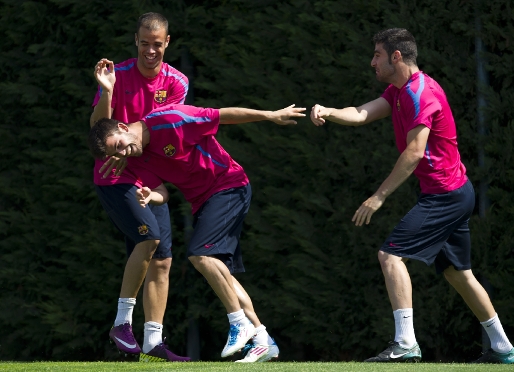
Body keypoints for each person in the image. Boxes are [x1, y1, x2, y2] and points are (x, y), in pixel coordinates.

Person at [310, 28, 514, 364]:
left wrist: (378, 197)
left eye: (377, 54)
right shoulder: (399, 90)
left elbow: (415, 152)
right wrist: (329, 111)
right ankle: (504, 348)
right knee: (458, 274)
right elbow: (361, 114)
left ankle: (405, 343)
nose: (371, 61)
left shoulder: (421, 94)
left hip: (445, 195)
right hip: (454, 192)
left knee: (390, 256)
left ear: (396, 56)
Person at [88, 102, 306, 362]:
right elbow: (164, 193)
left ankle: (239, 323)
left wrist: (269, 114)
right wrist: (150, 196)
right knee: (218, 269)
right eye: (117, 153)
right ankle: (262, 338)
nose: (123, 153)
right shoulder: (135, 159)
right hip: (202, 200)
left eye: (120, 145)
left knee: (200, 255)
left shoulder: (171, 120)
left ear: (123, 127)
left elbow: (222, 115)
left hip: (229, 184)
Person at [90, 12, 190, 362]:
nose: (151, 51)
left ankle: (152, 341)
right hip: (114, 174)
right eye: (145, 44)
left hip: (151, 178)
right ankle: (121, 325)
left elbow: (165, 128)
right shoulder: (116, 74)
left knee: (162, 259)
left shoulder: (177, 82)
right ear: (136, 41)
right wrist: (107, 91)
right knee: (149, 240)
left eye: (157, 45)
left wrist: (129, 142)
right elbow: (99, 130)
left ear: (167, 44)